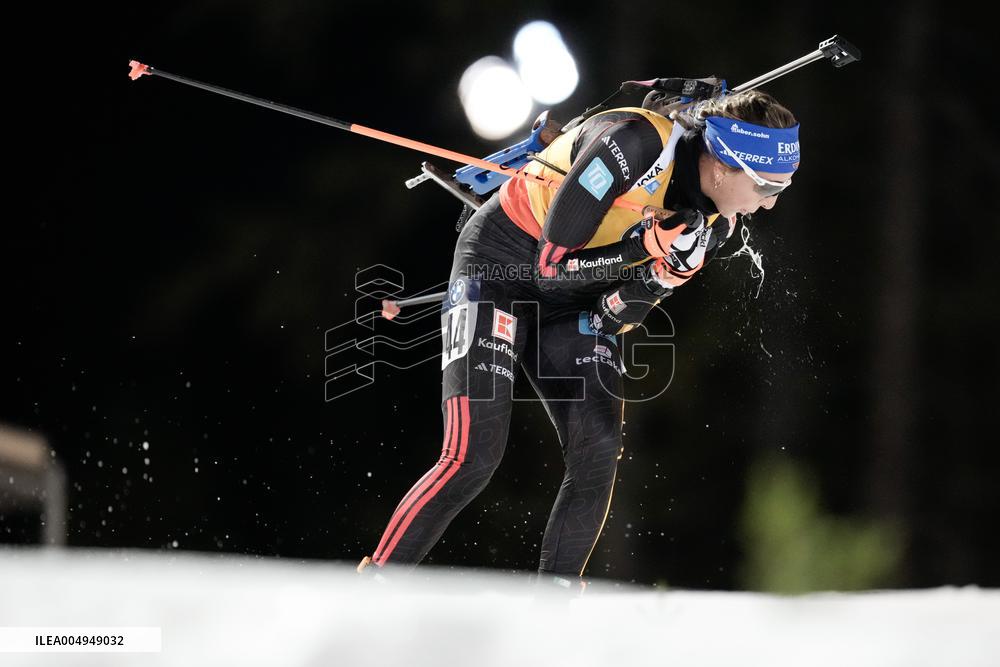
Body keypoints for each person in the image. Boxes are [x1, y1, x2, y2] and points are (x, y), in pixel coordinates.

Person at [357, 88, 800, 590]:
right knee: (474, 453)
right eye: (766, 185)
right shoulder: (634, 144)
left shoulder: (713, 228)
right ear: (721, 165)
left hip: (575, 299)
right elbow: (549, 267)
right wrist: (639, 246)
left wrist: (659, 280)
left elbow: (611, 318)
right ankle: (375, 587)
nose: (771, 202)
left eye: (783, 187)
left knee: (598, 446)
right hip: (500, 265)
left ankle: (556, 606)